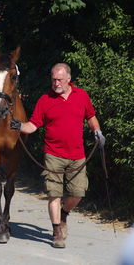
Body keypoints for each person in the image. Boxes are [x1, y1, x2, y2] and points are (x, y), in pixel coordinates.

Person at [10, 63, 106, 248]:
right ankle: (57, 231)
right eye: (53, 79)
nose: (56, 83)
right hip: (53, 154)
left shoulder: (82, 96)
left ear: (68, 79)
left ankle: (64, 214)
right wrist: (20, 126)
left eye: (59, 79)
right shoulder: (45, 100)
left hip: (77, 154)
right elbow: (33, 125)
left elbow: (91, 116)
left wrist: (97, 132)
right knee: (54, 194)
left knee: (78, 193)